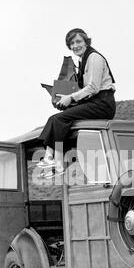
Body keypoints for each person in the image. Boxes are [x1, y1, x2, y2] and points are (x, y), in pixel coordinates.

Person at [37, 28, 116, 178]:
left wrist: (71, 98)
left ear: (86, 41)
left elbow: (93, 87)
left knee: (58, 119)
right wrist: (64, 99)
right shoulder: (82, 60)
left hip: (102, 103)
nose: (75, 46)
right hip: (94, 101)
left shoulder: (94, 58)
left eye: (78, 41)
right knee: (58, 119)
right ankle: (55, 162)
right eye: (72, 43)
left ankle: (51, 160)